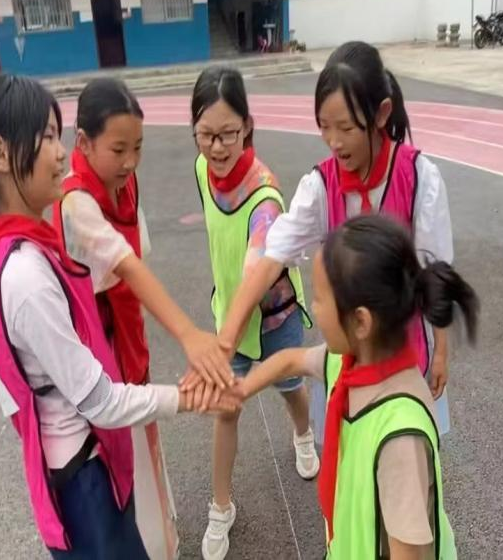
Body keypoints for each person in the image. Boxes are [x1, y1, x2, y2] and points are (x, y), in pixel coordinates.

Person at [0, 72, 237, 559]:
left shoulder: (18, 254)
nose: (60, 154)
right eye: (46, 138)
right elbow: (100, 402)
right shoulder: (26, 276)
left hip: (83, 459)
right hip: (84, 475)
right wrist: (190, 398)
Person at [214, 41, 456, 438]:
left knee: (404, 445)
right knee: (351, 452)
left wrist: (442, 350)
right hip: (348, 354)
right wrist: (225, 343)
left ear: (381, 114)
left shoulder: (419, 179)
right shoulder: (320, 187)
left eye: (346, 128)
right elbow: (270, 257)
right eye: (324, 126)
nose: (334, 141)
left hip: (407, 354)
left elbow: (436, 271)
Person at [52, 77, 231, 560]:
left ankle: (161, 536)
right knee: (120, 446)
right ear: (83, 142)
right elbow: (127, 265)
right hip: (100, 347)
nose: (131, 161)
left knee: (144, 441)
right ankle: (148, 542)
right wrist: (189, 334)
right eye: (118, 149)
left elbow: (136, 261)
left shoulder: (123, 182)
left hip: (128, 334)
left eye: (138, 147)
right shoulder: (76, 201)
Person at [236, 215, 479, 559]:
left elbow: (409, 552)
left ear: (361, 321)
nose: (314, 309)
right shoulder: (348, 362)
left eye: (319, 298)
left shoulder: (399, 435)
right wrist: (239, 391)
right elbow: (290, 361)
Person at [188, 66, 319, 560]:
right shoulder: (202, 171)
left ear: (247, 126)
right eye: (206, 135)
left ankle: (303, 434)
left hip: (273, 319)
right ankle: (221, 506)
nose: (217, 147)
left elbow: (255, 275)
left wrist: (219, 348)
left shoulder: (265, 198)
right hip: (229, 315)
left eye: (228, 133)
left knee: (290, 386)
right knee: (227, 410)